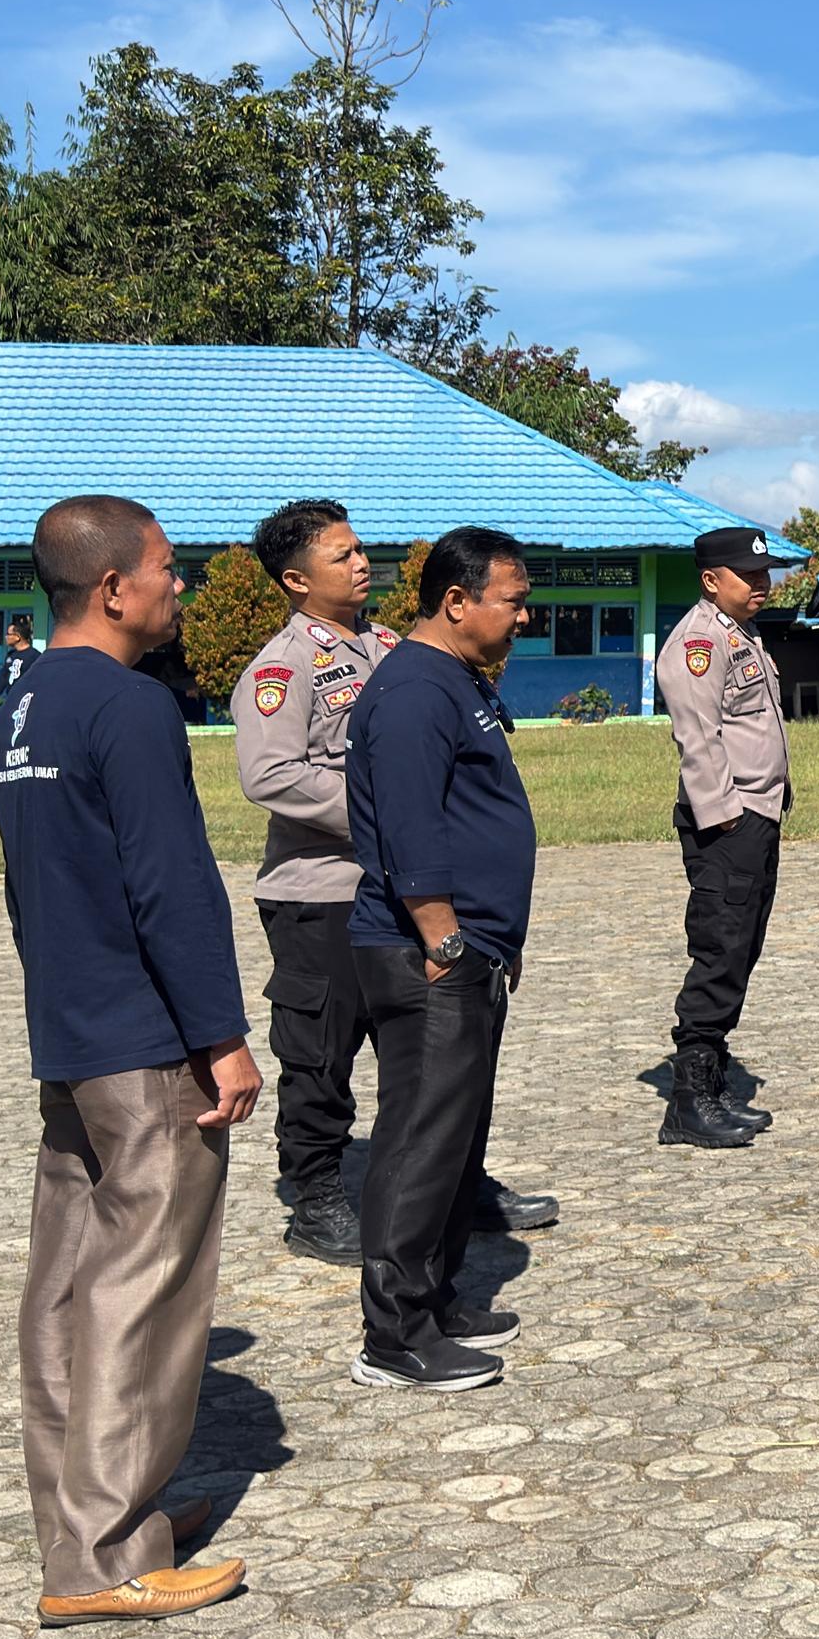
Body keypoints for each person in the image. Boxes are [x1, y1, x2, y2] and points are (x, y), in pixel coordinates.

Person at [0, 492, 263, 1624]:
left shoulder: (19, 702)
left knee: (66, 1285)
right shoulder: (131, 705)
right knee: (144, 1288)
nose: (178, 585)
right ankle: (103, 1556)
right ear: (112, 588)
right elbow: (171, 888)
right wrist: (222, 1040)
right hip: (147, 1041)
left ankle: (87, 1516)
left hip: (69, 1028)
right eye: (167, 567)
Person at [345, 528, 543, 1392]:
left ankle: (435, 1297)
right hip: (427, 953)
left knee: (456, 1137)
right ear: (457, 601)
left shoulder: (457, 679)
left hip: (471, 948)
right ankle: (393, 1337)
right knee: (421, 1139)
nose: (524, 618)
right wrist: (446, 939)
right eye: (514, 601)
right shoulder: (414, 691)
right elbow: (409, 828)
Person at [234, 499, 388, 1265]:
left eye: (360, 550)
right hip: (320, 892)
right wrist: (383, 814)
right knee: (319, 1058)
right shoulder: (282, 666)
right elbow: (270, 774)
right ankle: (317, 1199)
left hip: (400, 888)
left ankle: (453, 1184)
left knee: (432, 1048)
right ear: (296, 580)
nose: (362, 563)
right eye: (342, 555)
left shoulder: (389, 646)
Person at [658, 525, 800, 1150]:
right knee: (720, 949)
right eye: (750, 575)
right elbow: (698, 737)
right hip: (728, 823)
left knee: (741, 948)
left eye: (766, 573)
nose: (762, 584)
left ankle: (712, 1087)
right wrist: (728, 821)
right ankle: (688, 1102)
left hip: (756, 815)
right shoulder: (698, 641)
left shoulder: (742, 634)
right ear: (712, 580)